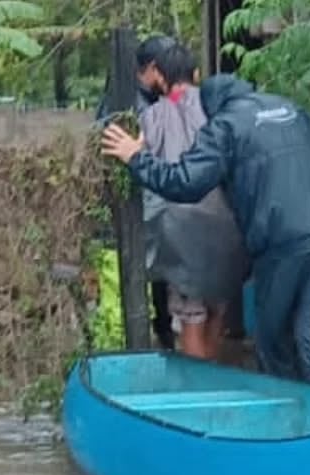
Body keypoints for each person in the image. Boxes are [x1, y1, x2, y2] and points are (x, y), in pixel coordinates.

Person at [101, 76, 310, 388]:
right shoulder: (293, 111)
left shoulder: (226, 125)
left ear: (212, 106)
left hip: (279, 245)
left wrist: (136, 157)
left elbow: (186, 182)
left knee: (273, 340)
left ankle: (291, 423)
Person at [138, 45, 249, 361]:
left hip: (180, 232)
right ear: (197, 74)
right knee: (217, 309)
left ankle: (198, 388)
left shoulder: (153, 116)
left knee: (190, 316)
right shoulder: (218, 110)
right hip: (226, 226)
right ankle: (211, 371)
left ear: (159, 76)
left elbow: (146, 167)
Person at [96, 36, 176, 349]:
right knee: (124, 294)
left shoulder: (152, 101)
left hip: (154, 216)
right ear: (153, 69)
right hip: (131, 216)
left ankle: (159, 341)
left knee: (155, 286)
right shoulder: (124, 103)